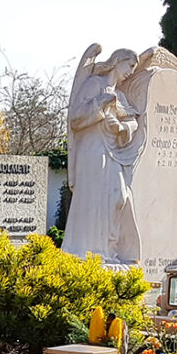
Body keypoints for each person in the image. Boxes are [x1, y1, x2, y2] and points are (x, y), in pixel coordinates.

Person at [61, 46, 143, 265]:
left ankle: (109, 251)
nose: (131, 71)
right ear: (117, 61)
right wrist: (100, 105)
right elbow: (76, 119)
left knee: (119, 197)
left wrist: (121, 128)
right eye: (130, 65)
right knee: (94, 200)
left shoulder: (121, 96)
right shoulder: (94, 85)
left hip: (113, 151)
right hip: (92, 151)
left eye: (135, 68)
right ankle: (91, 253)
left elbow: (134, 121)